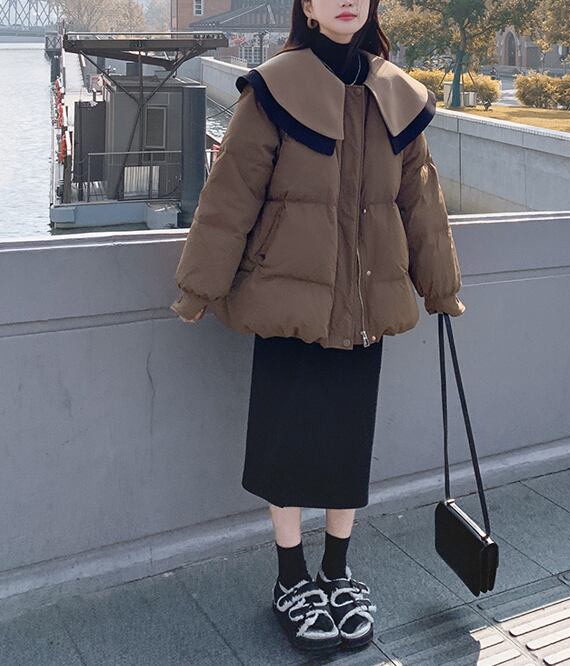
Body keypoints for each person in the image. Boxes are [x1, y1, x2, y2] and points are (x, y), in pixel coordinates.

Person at [170, 0, 467, 654]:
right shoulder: (275, 88)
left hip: (363, 308)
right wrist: (199, 287)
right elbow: (230, 196)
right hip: (289, 305)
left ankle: (336, 573)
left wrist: (440, 287)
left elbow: (421, 202)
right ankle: (290, 579)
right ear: (307, 6)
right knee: (285, 448)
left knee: (346, 447)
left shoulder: (396, 94)